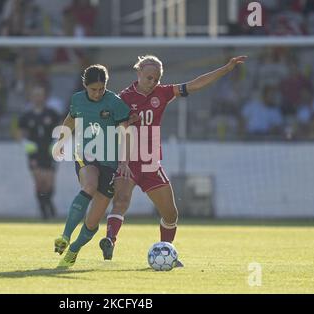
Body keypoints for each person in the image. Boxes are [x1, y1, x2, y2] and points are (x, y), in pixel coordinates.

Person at [99, 55, 247, 262]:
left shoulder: (163, 92)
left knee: (171, 215)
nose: (153, 82)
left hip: (151, 163)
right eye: (149, 77)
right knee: (121, 201)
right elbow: (112, 129)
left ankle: (166, 251)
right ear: (138, 73)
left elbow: (195, 85)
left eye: (156, 79)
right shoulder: (122, 99)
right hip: (128, 161)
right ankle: (110, 240)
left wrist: (225, 69)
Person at [52, 64, 132, 268]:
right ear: (84, 86)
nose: (97, 94)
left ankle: (74, 249)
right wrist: (61, 140)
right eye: (93, 89)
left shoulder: (115, 103)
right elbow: (71, 118)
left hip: (110, 162)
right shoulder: (77, 99)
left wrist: (124, 161)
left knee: (92, 222)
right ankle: (65, 236)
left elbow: (125, 133)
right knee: (89, 185)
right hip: (85, 155)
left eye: (101, 89)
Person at [18, 83, 60, 219]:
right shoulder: (26, 116)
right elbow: (20, 132)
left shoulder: (52, 113)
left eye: (40, 95)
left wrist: (57, 142)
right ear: (31, 97)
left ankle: (49, 203)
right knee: (39, 180)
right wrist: (25, 143)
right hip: (34, 152)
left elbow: (61, 128)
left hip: (49, 150)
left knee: (49, 182)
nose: (38, 98)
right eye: (35, 95)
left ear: (44, 97)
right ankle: (44, 209)